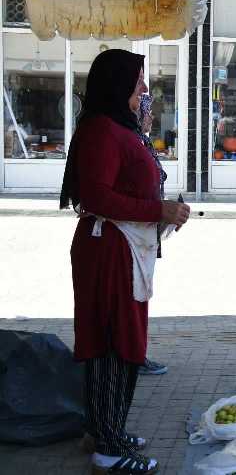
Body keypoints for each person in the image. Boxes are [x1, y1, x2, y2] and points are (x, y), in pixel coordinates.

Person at [60, 49, 190, 475]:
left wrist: (165, 212)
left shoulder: (118, 127)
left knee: (113, 342)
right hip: (109, 249)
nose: (145, 89)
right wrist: (160, 212)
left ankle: (104, 430)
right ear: (117, 85)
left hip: (119, 247)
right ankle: (109, 449)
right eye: (138, 82)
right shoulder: (102, 131)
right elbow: (96, 197)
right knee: (117, 345)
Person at [135, 94, 169, 377]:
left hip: (148, 229)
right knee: (136, 292)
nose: (152, 117)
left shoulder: (142, 142)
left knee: (143, 291)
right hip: (134, 232)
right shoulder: (132, 142)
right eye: (147, 112)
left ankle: (137, 351)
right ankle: (133, 353)